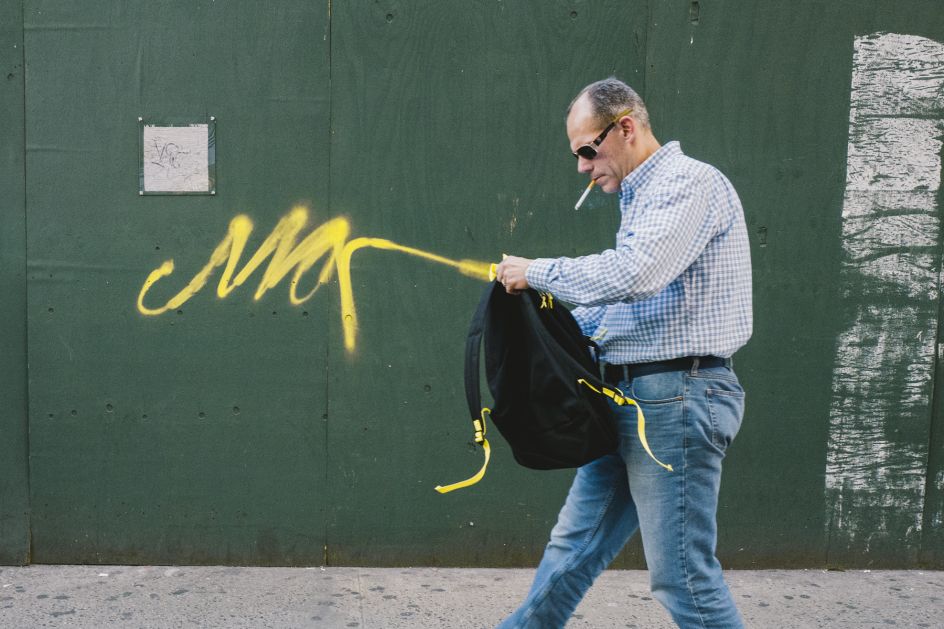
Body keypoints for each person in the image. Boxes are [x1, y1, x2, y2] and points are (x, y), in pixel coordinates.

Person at [493, 78, 753, 628]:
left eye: (588, 150)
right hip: (631, 397)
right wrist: (550, 322)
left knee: (683, 577)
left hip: (676, 399)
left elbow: (636, 274)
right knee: (572, 549)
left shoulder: (687, 183)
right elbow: (634, 308)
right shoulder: (647, 196)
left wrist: (536, 272)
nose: (582, 166)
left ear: (626, 128)